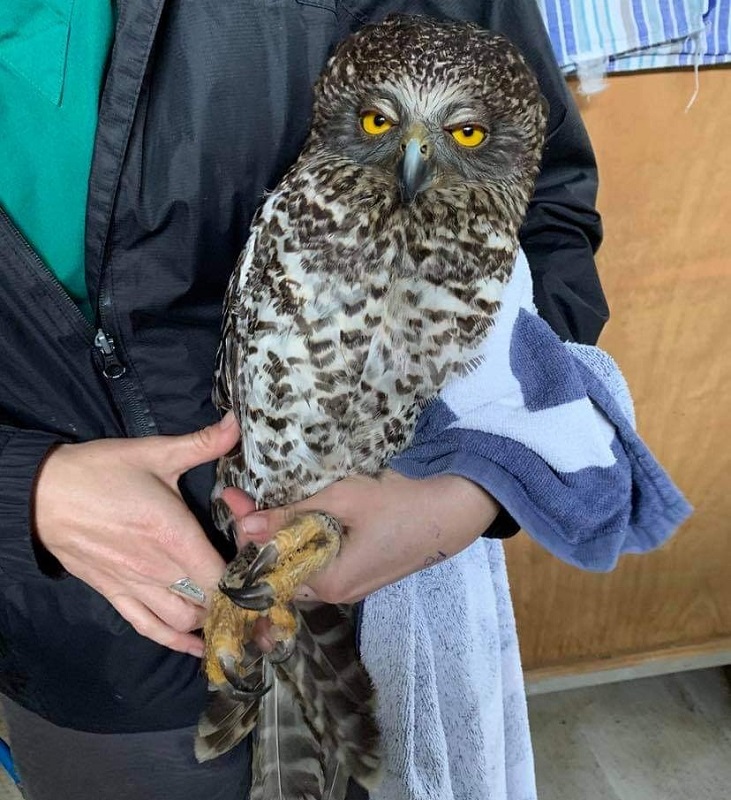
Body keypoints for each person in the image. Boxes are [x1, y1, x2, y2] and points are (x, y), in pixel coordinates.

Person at [0, 1, 607, 798]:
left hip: (377, 586)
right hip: (73, 626)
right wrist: (23, 490)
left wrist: (469, 482)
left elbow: (543, 223)